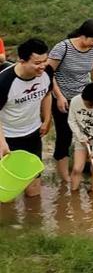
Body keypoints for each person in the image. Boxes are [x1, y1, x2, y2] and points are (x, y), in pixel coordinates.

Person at [48, 19, 93, 182]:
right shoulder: (63, 48)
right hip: (64, 99)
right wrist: (59, 96)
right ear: (83, 36)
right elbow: (48, 73)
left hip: (86, 98)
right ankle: (64, 178)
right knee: (64, 136)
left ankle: (87, 165)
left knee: (89, 131)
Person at [0, 38, 53, 197]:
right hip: (8, 137)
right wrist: (1, 142)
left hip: (32, 134)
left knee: (33, 190)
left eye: (45, 61)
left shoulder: (46, 72)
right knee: (7, 190)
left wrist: (46, 119)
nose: (42, 66)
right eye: (37, 63)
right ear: (21, 61)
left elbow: (47, 94)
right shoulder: (4, 82)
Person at [68, 82, 93, 192]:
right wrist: (80, 136)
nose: (88, 106)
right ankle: (73, 193)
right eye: (87, 103)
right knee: (77, 168)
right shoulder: (75, 101)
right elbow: (71, 120)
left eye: (91, 105)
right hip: (80, 137)